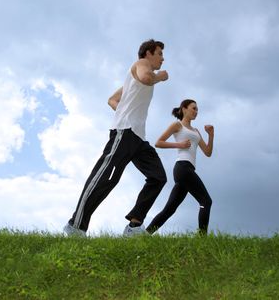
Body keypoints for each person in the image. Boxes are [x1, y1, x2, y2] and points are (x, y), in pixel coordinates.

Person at [63, 39, 169, 237]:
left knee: (157, 177)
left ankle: (134, 226)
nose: (163, 58)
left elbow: (112, 99)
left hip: (138, 137)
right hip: (125, 132)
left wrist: (121, 109)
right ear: (148, 53)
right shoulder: (142, 65)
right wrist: (160, 77)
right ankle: (75, 226)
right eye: (160, 53)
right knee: (105, 178)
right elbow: (147, 78)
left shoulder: (133, 77)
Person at [145, 99, 214, 235]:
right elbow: (158, 142)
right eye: (193, 108)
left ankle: (145, 235)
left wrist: (211, 135)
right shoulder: (177, 125)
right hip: (182, 168)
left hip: (188, 170)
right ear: (184, 109)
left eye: (197, 109)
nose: (196, 111)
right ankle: (203, 239)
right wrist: (179, 145)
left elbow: (207, 152)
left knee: (170, 209)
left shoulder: (196, 131)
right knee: (206, 201)